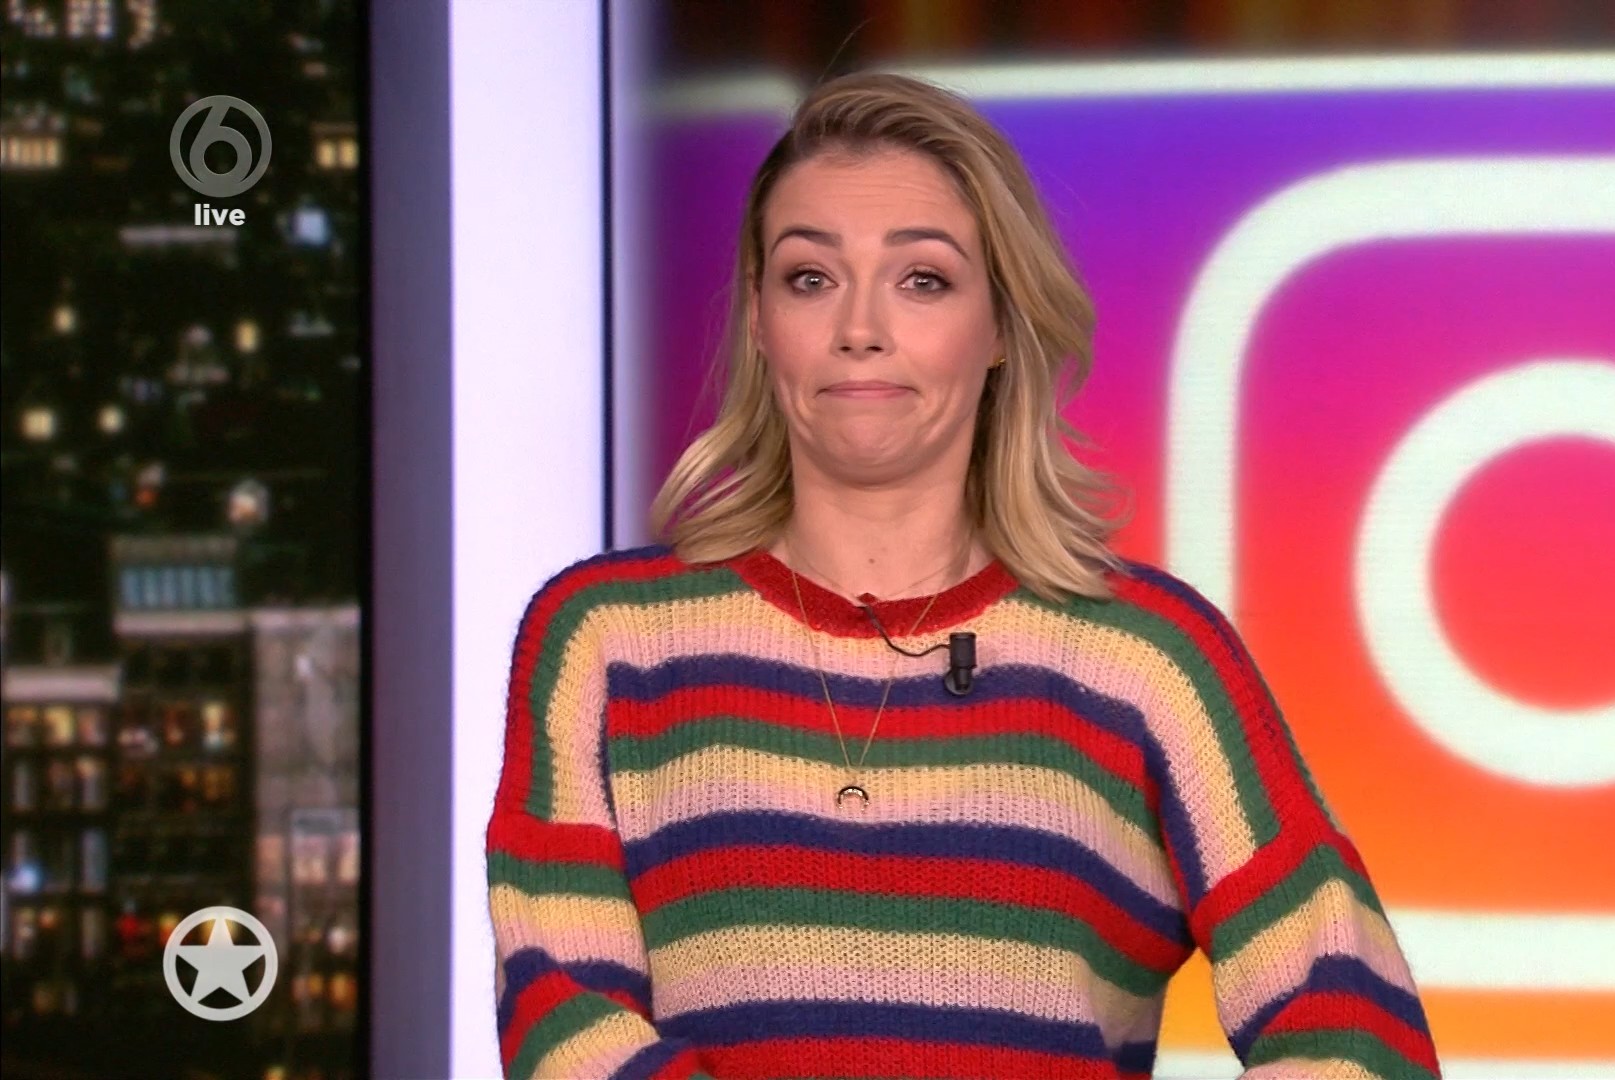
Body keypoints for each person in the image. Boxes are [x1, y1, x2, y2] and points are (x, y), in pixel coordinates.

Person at [486, 71, 1440, 1080]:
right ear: (760, 321)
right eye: (810, 278)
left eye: (922, 280)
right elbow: (563, 1021)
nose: (860, 327)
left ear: (998, 328)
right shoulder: (607, 640)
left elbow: (1356, 1030)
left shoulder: (1145, 658)